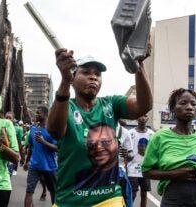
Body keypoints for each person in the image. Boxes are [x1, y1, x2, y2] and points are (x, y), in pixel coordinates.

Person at [47, 48, 152, 207]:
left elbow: (144, 105)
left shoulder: (111, 104)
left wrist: (139, 63)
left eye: (98, 74)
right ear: (73, 78)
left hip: (109, 199)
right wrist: (64, 81)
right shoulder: (64, 107)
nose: (93, 77)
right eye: (86, 72)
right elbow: (54, 131)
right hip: (68, 201)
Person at [142, 88, 196, 207]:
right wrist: (174, 174)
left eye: (193, 104)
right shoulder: (159, 137)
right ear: (172, 109)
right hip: (172, 200)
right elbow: (146, 172)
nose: (189, 107)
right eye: (183, 103)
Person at [23, 106, 57, 207]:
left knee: (54, 191)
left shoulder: (52, 129)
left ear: (45, 115)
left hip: (49, 167)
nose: (36, 115)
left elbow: (57, 148)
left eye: (38, 113)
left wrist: (44, 142)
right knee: (29, 191)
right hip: (34, 166)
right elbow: (30, 147)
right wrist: (26, 161)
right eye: (36, 113)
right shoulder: (33, 129)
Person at [127, 114, 154, 207]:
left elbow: (153, 151)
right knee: (132, 193)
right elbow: (126, 150)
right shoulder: (130, 133)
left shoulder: (151, 134)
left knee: (144, 194)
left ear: (148, 118)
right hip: (132, 169)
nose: (143, 118)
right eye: (141, 116)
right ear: (136, 118)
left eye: (145, 116)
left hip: (145, 169)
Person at [117, 118, 133, 207]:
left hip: (119, 172)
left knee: (126, 198)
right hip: (99, 172)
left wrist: (127, 155)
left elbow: (131, 155)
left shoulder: (124, 132)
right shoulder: (100, 128)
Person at [5, 111, 23, 176]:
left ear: (13, 119)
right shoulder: (1, 126)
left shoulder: (18, 129)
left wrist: (19, 153)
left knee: (8, 174)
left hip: (12, 153)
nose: (8, 119)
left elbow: (19, 142)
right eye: (6, 117)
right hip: (2, 153)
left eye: (10, 118)